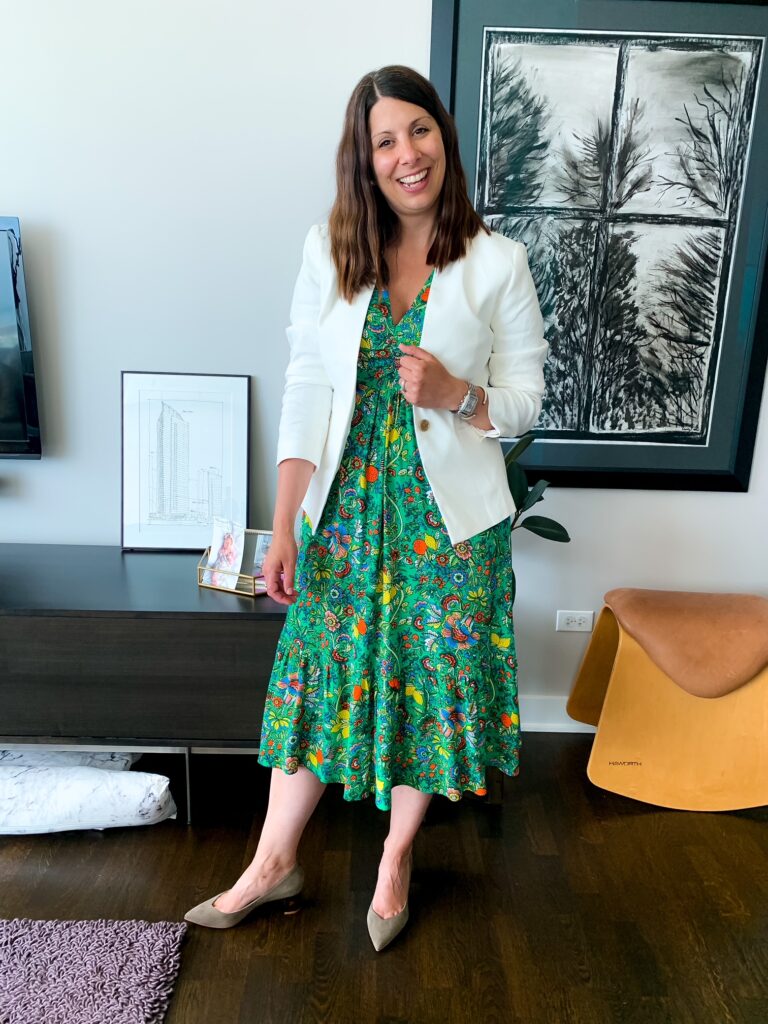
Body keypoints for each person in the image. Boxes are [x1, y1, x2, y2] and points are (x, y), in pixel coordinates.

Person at [185, 65, 547, 950]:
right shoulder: (331, 247)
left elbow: (528, 401)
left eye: (418, 131)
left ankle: (395, 857)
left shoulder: (498, 262)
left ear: (443, 140)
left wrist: (460, 393)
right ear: (365, 157)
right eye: (385, 140)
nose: (406, 154)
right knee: (314, 679)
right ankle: (272, 863)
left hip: (448, 523)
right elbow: (306, 381)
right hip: (344, 506)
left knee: (432, 682)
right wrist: (286, 516)